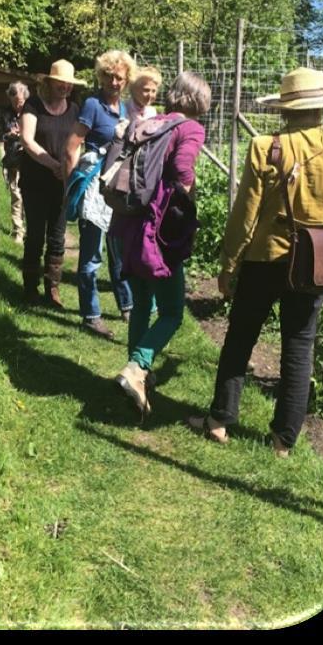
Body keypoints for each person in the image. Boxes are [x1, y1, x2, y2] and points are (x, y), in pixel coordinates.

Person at [188, 67, 323, 456]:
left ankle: (219, 420)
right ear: (320, 107)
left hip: (265, 258)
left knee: (240, 337)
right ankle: (283, 441)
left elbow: (244, 213)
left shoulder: (266, 146)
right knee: (299, 347)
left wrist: (228, 263)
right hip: (314, 263)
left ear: (286, 108)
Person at [112, 71, 212, 416]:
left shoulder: (152, 123)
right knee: (171, 312)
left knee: (141, 304)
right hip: (160, 230)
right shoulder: (191, 128)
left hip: (131, 222)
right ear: (200, 101)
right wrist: (185, 198)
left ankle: (136, 371)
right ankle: (138, 367)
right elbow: (183, 170)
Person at [63, 50, 137, 339]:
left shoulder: (126, 109)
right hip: (95, 189)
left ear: (127, 79)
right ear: (101, 76)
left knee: (120, 252)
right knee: (92, 255)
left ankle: (128, 305)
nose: (114, 81)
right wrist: (72, 187)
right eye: (108, 76)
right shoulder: (92, 105)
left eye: (119, 77)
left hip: (118, 190)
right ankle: (90, 314)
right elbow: (72, 146)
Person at [19, 60, 82, 307]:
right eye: (60, 82)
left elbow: (78, 144)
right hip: (35, 181)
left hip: (62, 184)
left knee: (57, 237)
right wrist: (53, 164)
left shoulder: (75, 110)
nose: (64, 87)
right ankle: (30, 287)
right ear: (49, 82)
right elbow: (27, 140)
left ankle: (52, 289)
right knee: (35, 234)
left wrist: (69, 168)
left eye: (68, 84)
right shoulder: (33, 105)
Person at [0, 81, 29, 244]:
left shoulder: (32, 113)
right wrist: (9, 134)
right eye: (14, 102)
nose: (18, 106)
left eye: (21, 102)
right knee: (16, 195)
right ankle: (18, 231)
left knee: (30, 196)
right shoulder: (5, 114)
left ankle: (32, 230)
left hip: (31, 161)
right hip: (13, 160)